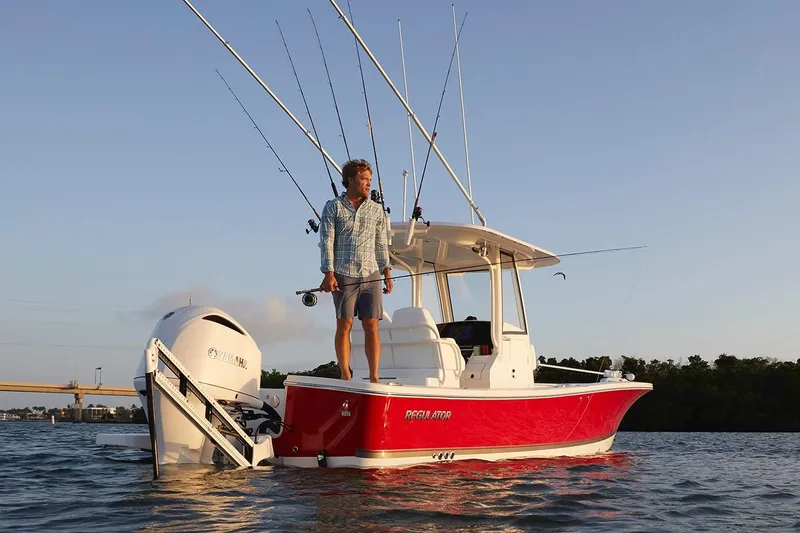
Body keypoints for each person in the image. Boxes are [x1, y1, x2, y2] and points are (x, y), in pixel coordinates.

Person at [319, 159, 392, 383]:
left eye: (370, 180)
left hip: (371, 275)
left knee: (372, 325)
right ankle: (345, 373)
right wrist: (328, 272)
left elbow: (381, 243)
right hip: (343, 273)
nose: (368, 184)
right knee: (345, 323)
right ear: (350, 180)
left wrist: (386, 271)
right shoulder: (333, 207)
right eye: (364, 179)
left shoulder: (377, 210)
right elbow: (326, 241)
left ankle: (374, 376)